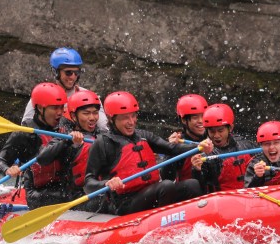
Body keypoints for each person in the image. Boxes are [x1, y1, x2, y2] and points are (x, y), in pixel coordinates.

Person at [84, 91, 214, 215]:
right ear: (111, 119)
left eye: (133, 115)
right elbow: (88, 182)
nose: (131, 122)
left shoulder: (143, 136)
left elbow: (172, 148)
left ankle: (194, 218)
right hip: (126, 202)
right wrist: (106, 183)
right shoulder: (103, 143)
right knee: (166, 186)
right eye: (125, 118)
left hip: (152, 194)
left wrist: (199, 148)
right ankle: (161, 224)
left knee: (192, 185)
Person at [0, 82, 71, 209]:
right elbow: (0, 161)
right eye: (54, 108)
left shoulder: (66, 125)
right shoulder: (24, 133)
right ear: (40, 108)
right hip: (37, 192)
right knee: (71, 195)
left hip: (64, 186)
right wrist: (7, 170)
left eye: (61, 107)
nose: (59, 112)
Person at [35, 90, 105, 212]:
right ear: (73, 116)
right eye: (86, 113)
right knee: (105, 202)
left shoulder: (103, 135)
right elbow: (41, 158)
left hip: (103, 189)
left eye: (95, 113)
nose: (92, 118)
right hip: (78, 198)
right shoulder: (65, 137)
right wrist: (67, 141)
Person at [22, 47, 108, 131]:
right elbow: (26, 127)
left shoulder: (90, 97)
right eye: (68, 72)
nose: (73, 77)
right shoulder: (42, 95)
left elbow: (104, 128)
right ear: (55, 72)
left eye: (77, 72)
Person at [191, 103, 256, 192]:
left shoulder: (246, 145)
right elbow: (201, 188)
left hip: (250, 196)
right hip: (222, 201)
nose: (216, 135)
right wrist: (197, 170)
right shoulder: (205, 156)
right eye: (212, 131)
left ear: (230, 128)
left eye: (220, 130)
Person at [162, 94, 208, 182]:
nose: (201, 121)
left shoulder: (215, 136)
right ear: (183, 120)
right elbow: (167, 177)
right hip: (191, 192)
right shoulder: (178, 143)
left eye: (203, 116)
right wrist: (170, 150)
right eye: (195, 117)